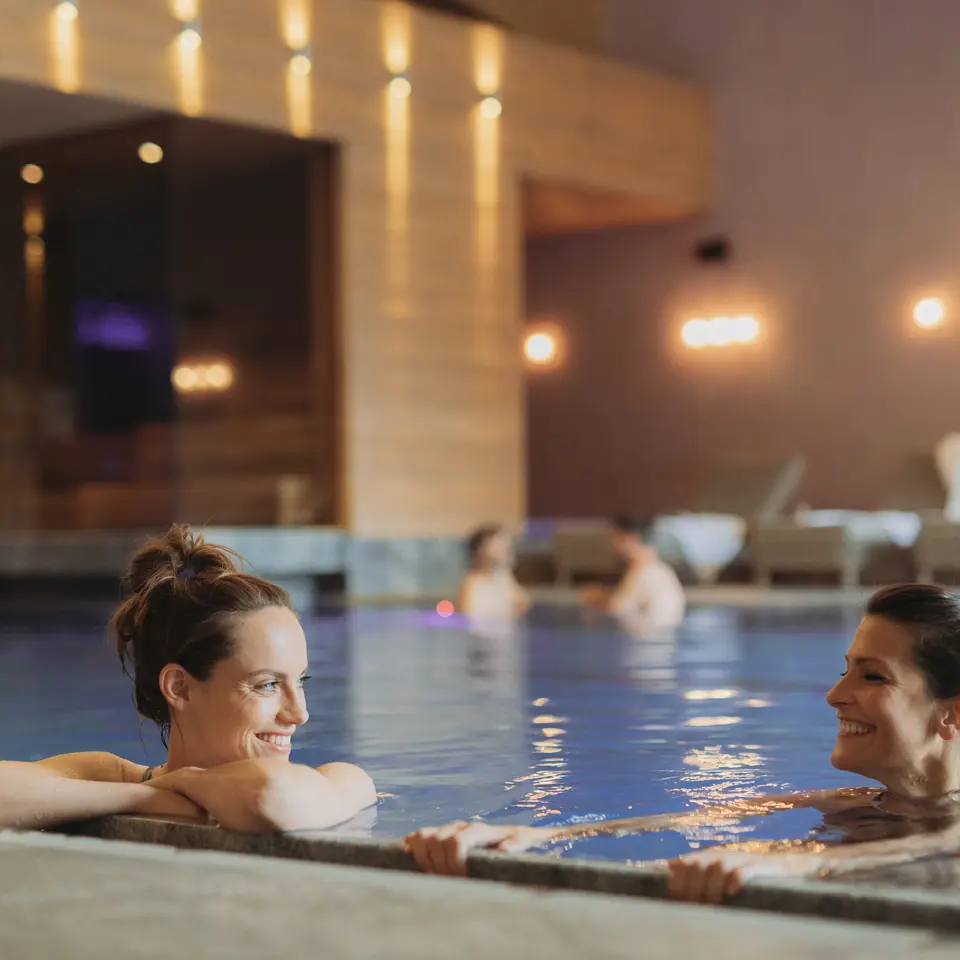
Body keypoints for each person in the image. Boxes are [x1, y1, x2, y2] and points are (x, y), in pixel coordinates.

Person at [404, 584, 960, 900]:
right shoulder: (850, 805)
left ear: (951, 715)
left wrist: (785, 867)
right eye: (846, 670)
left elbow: (925, 848)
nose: (835, 695)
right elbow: (682, 822)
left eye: (872, 676)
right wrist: (529, 835)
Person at [0, 524, 376, 833]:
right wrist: (147, 797)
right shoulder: (112, 777)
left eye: (301, 682)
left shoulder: (341, 780)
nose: (299, 714)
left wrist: (183, 784)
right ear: (180, 687)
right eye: (268, 685)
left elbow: (270, 798)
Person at [580, 517, 685, 629]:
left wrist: (597, 599)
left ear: (631, 539)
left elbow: (618, 608)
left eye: (617, 536)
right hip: (659, 638)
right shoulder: (660, 568)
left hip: (647, 639)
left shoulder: (642, 570)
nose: (613, 543)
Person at [457, 525, 530, 620]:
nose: (505, 549)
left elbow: (522, 606)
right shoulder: (473, 583)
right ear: (481, 550)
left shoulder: (504, 578)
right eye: (498, 545)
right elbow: (466, 617)